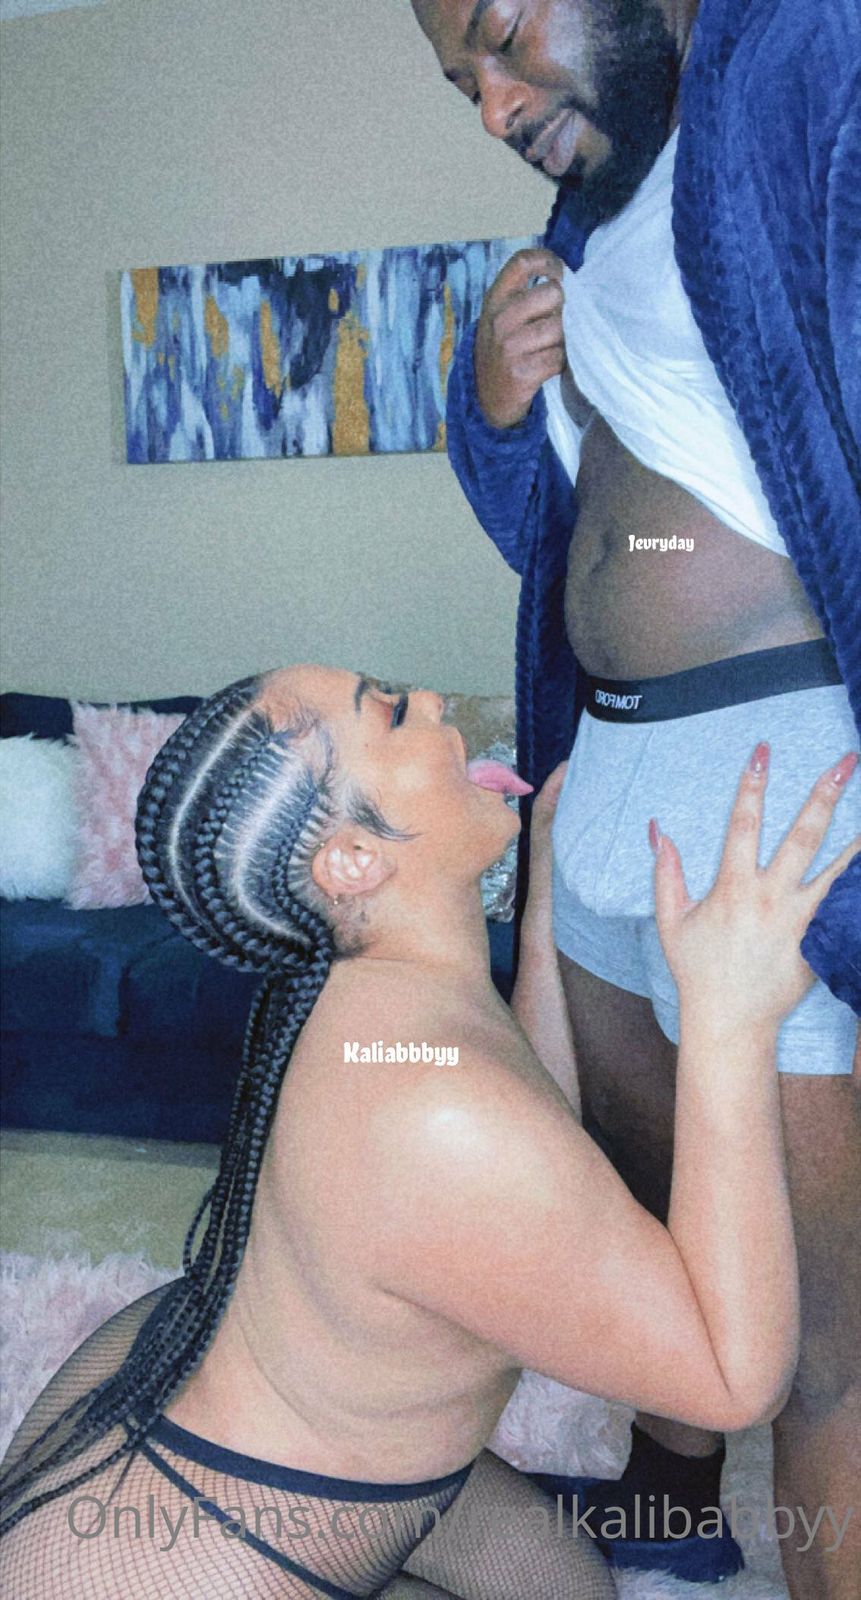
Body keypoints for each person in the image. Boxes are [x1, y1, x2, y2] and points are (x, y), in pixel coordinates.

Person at [0, 664, 855, 1599]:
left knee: (569, 1586)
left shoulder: (377, 1011)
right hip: (181, 1549)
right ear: (353, 858)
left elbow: (523, 1121)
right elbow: (732, 1381)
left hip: (259, 1406)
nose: (434, 704)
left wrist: (544, 911)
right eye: (392, 712)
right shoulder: (428, 1107)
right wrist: (728, 1019)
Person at [410, 0, 861, 1590]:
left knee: (821, 1334)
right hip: (606, 768)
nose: (491, 103)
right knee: (654, 1215)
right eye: (459, 83)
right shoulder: (585, 232)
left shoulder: (797, 78)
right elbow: (566, 535)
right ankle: (678, 1519)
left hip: (767, 773)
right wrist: (489, 409)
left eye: (499, 35)